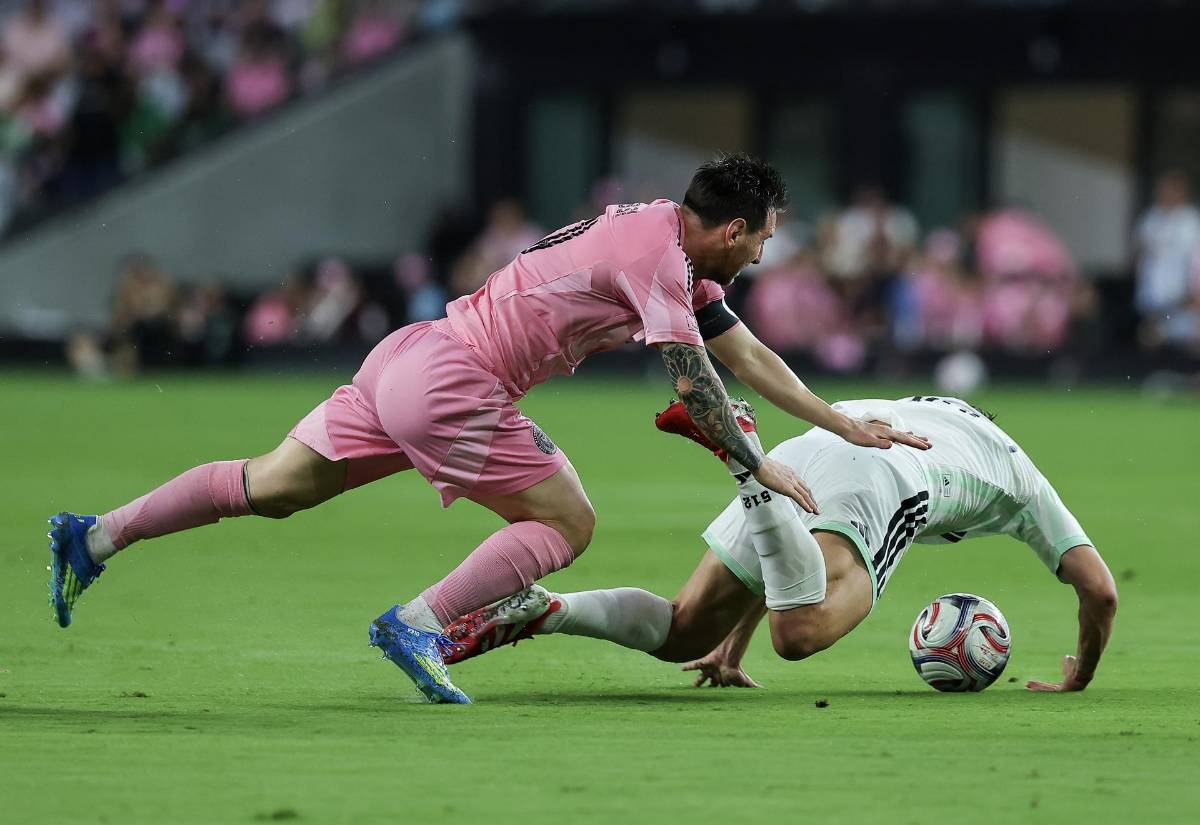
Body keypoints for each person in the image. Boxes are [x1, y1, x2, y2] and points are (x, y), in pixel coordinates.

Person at [46, 153, 928, 704]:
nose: (764, 256)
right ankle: (418, 623)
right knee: (568, 522)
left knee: (270, 486)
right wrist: (757, 464)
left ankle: (99, 534)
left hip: (410, 355)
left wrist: (840, 422)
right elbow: (696, 379)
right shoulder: (657, 257)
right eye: (763, 240)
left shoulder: (666, 243)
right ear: (733, 229)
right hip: (457, 381)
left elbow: (749, 356)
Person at [445, 395, 1116, 694]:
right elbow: (1100, 590)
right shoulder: (1020, 477)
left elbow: (782, 562)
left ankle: (546, 609)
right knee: (799, 633)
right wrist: (1079, 674)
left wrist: (731, 644)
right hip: (888, 473)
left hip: (822, 442)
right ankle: (745, 462)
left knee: (682, 630)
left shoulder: (934, 406)